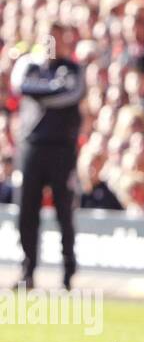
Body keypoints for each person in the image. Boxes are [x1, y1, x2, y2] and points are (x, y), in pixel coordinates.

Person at [11, 23, 85, 289]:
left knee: (64, 210)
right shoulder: (28, 65)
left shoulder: (72, 69)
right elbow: (20, 86)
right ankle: (27, 270)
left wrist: (42, 92)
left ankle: (68, 272)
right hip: (31, 147)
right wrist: (51, 89)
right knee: (26, 210)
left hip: (62, 149)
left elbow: (70, 93)